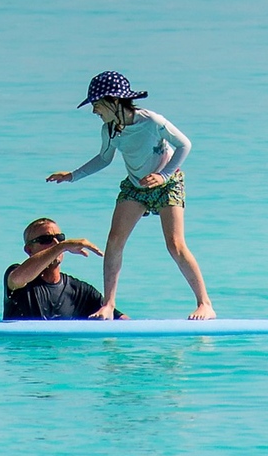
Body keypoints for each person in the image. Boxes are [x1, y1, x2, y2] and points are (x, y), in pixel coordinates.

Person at [47, 71, 215, 321]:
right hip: (135, 187)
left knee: (175, 245)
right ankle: (108, 305)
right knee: (114, 241)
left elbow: (184, 145)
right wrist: (73, 175)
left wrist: (164, 176)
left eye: (96, 104)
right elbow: (104, 159)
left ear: (113, 101)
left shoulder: (152, 121)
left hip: (167, 184)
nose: (94, 111)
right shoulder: (110, 130)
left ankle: (205, 304)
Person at [4, 217, 127, 320]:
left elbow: (119, 318)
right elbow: (17, 279)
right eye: (46, 240)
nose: (56, 243)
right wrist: (63, 246)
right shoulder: (17, 275)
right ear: (29, 250)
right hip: (24, 348)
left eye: (60, 238)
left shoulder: (80, 291)